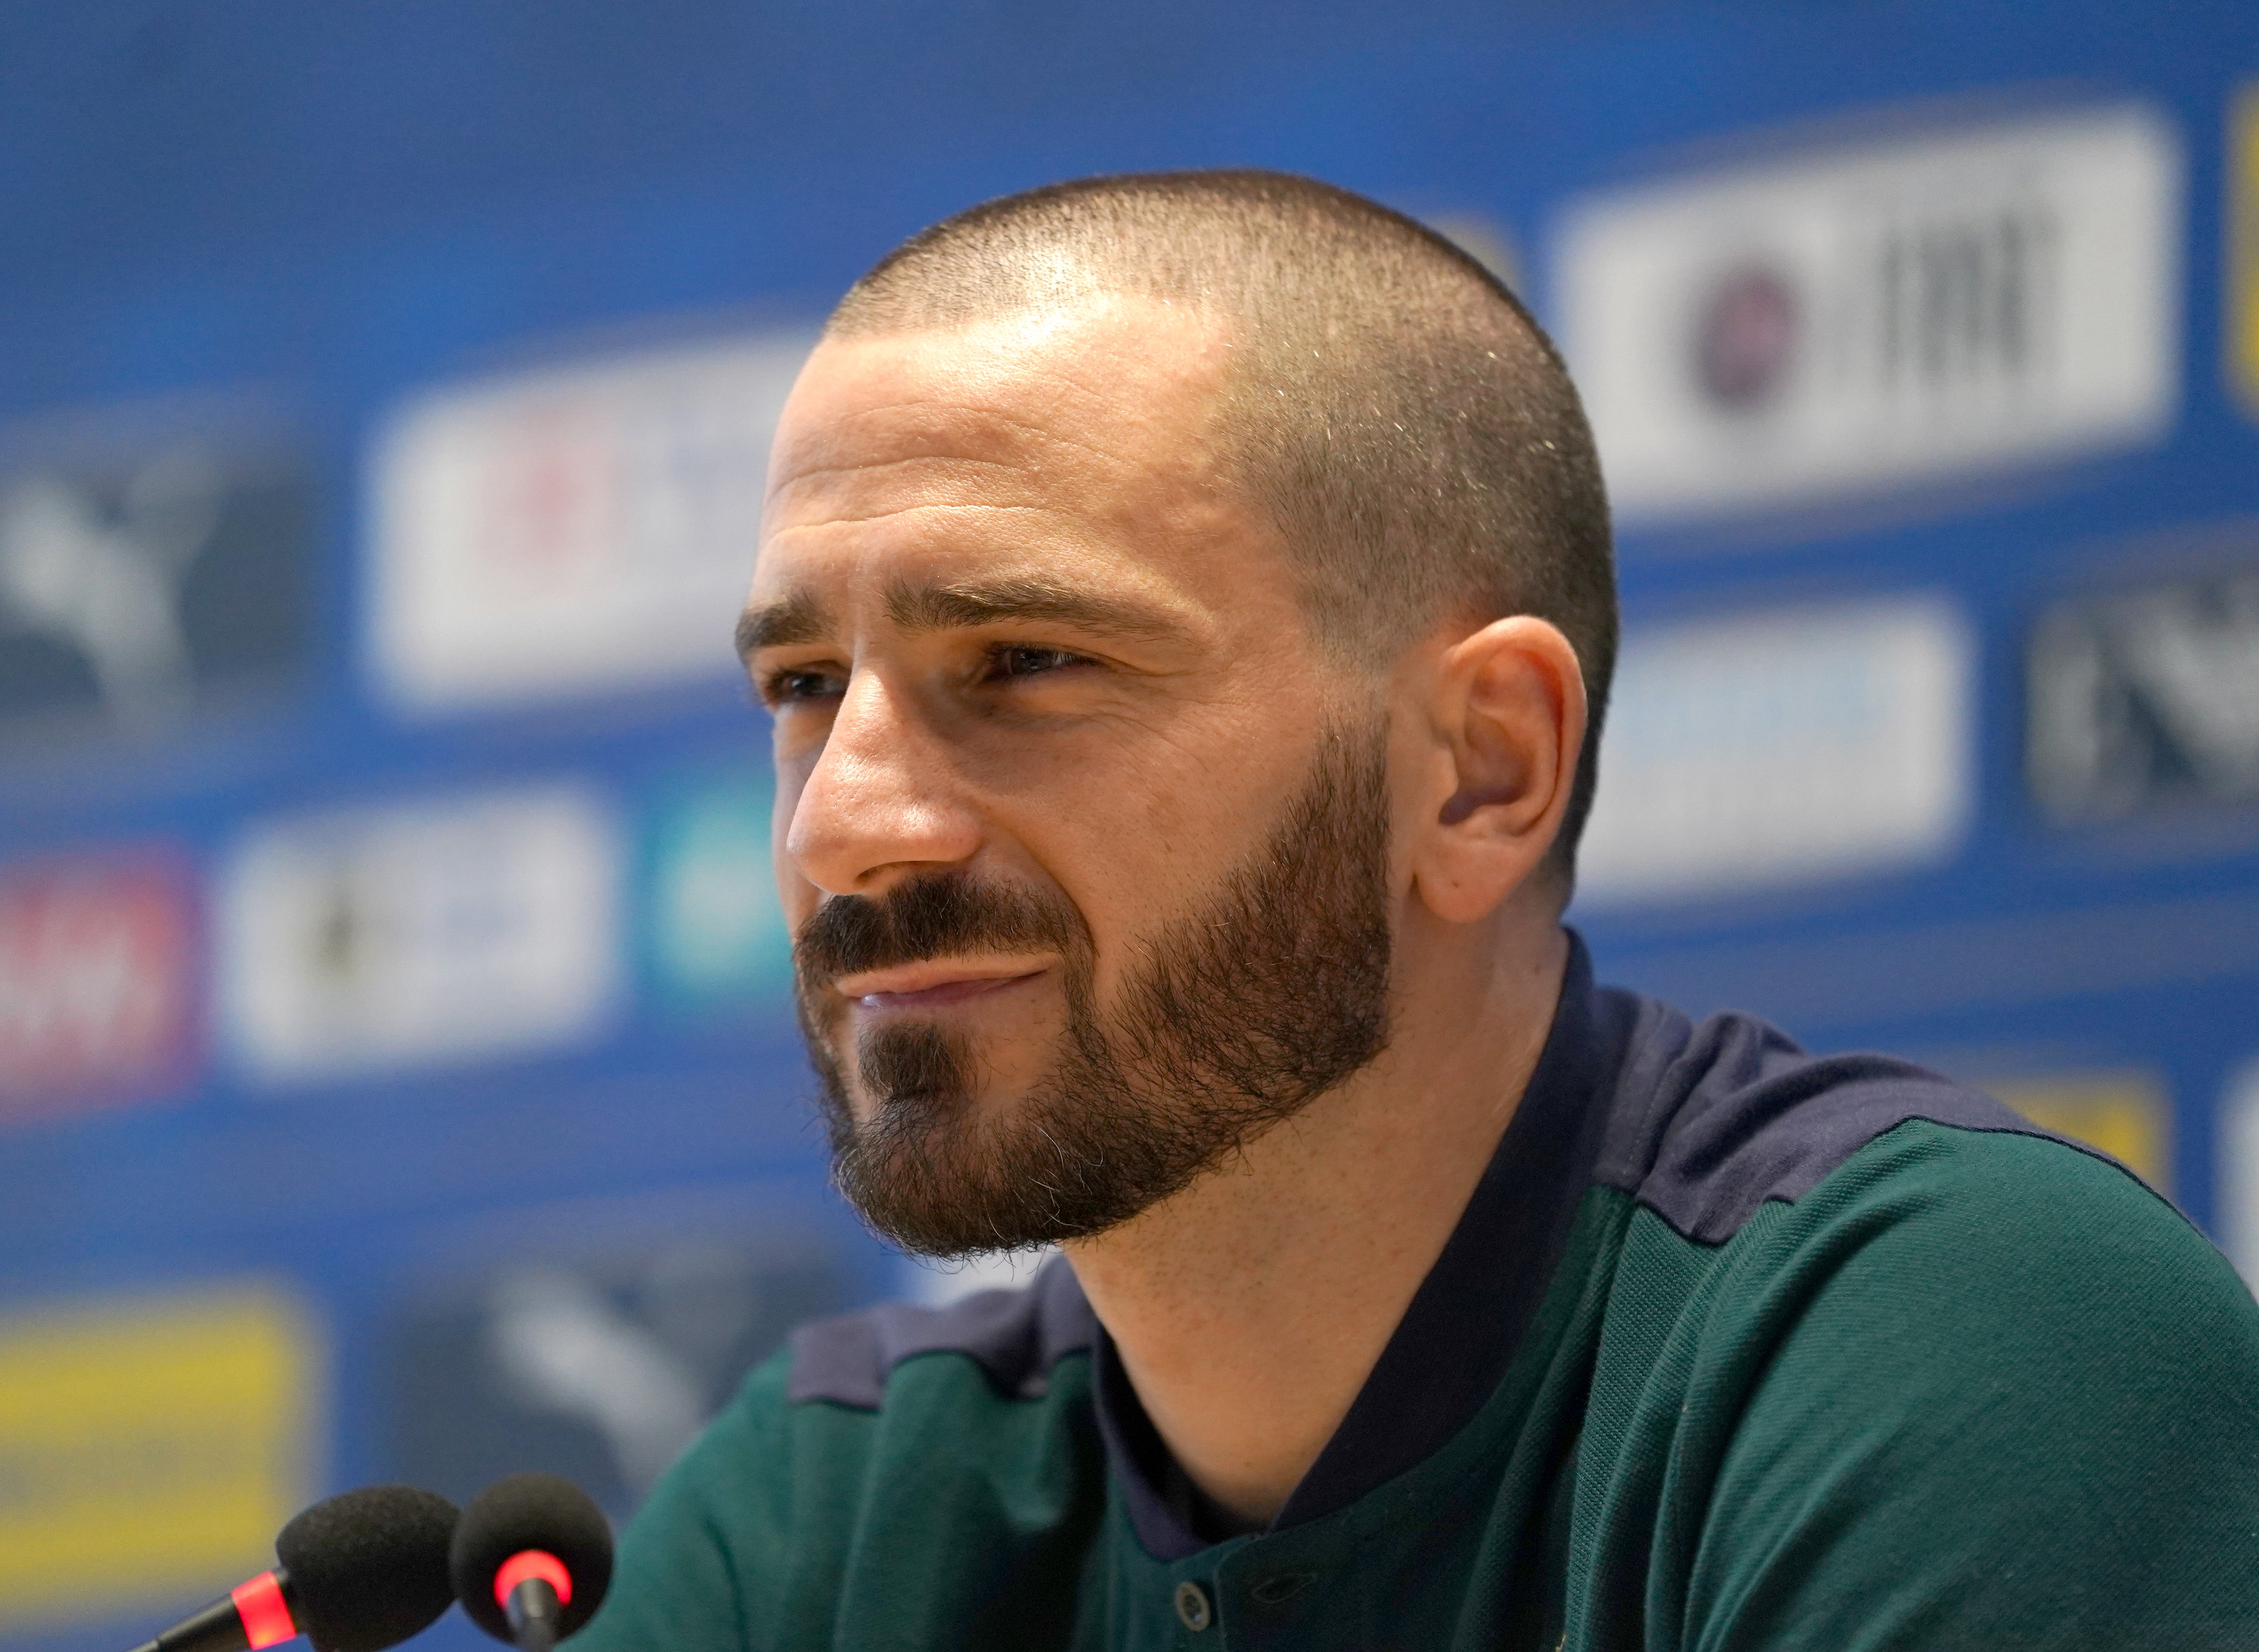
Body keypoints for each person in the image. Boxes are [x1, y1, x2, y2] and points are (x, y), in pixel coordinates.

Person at [577, 171, 2259, 1650]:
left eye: (1026, 662)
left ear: (1480, 771)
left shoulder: (1953, 1354)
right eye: (804, 683)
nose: (844, 822)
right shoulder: (824, 1519)